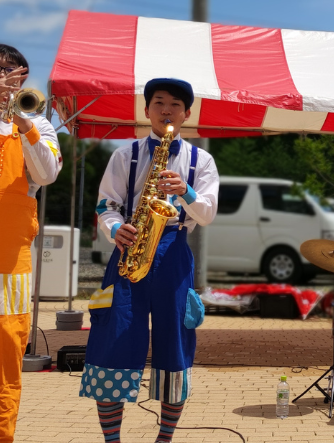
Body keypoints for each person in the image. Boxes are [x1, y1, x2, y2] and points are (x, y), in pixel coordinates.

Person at [79, 78, 219, 443]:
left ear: (187, 114)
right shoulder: (125, 155)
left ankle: (165, 439)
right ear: (147, 111)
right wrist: (115, 229)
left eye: (175, 104)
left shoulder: (201, 159)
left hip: (173, 251)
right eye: (159, 102)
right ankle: (113, 440)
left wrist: (185, 191)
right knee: (115, 338)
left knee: (175, 341)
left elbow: (206, 213)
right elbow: (105, 205)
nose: (167, 110)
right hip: (129, 249)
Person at [0, 44, 62, 443]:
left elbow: (48, 172)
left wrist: (24, 123)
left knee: (7, 347)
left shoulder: (39, 123)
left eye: (6, 70)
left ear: (21, 75)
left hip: (12, 256)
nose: (1, 77)